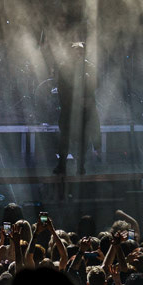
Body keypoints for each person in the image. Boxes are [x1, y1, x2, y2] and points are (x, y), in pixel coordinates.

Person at [50, 41, 99, 186]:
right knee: (65, 138)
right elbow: (62, 89)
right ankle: (62, 165)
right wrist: (73, 102)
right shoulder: (65, 67)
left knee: (84, 139)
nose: (79, 54)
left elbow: (94, 85)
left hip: (84, 110)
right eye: (76, 51)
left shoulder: (89, 67)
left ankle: (80, 166)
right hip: (69, 109)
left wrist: (87, 100)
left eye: (81, 51)